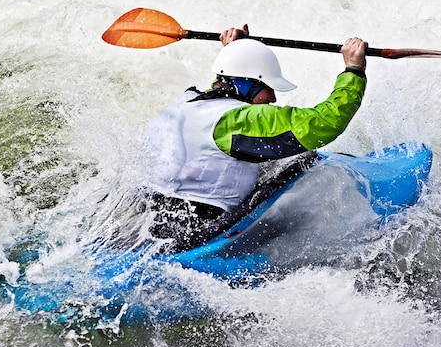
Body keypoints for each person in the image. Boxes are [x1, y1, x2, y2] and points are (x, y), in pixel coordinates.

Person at [105, 26, 368, 252]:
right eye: (268, 87)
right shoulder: (236, 121)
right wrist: (353, 70)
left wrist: (233, 51)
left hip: (142, 221)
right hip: (197, 229)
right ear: (250, 85)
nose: (273, 98)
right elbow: (325, 123)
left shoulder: (185, 102)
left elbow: (225, 89)